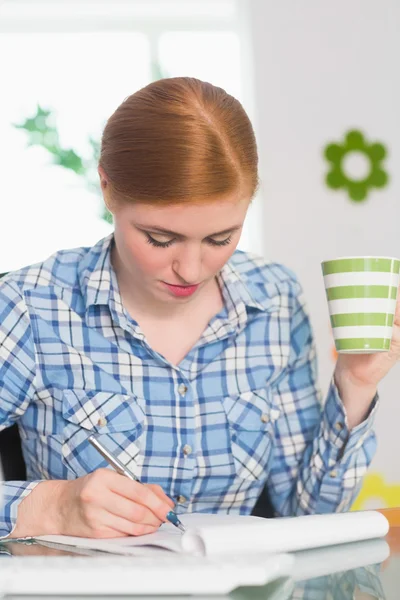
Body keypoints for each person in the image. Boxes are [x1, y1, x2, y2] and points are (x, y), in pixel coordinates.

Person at [0, 77, 399, 540]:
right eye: (160, 238)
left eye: (220, 239)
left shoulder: (275, 299)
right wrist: (50, 507)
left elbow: (307, 516)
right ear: (108, 189)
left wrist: (355, 384)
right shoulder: (31, 305)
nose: (190, 269)